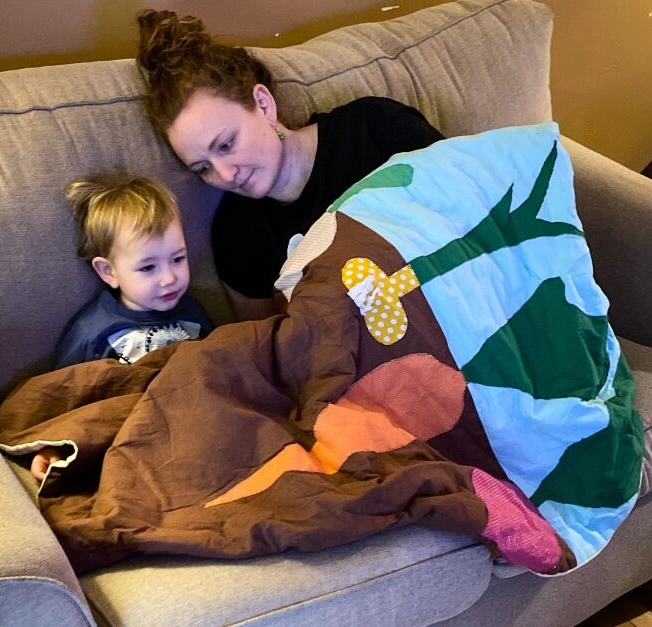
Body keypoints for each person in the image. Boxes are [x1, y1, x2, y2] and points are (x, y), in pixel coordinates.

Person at [136, 9, 444, 321]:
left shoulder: (372, 128)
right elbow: (271, 346)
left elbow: (469, 193)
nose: (226, 174)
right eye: (203, 168)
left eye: (227, 144)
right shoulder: (238, 234)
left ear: (263, 104)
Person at [31, 174, 213, 482]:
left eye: (178, 259)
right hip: (131, 435)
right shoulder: (93, 330)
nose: (169, 278)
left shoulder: (194, 313)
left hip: (192, 426)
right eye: (148, 267)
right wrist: (56, 446)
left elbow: (216, 369)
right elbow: (68, 398)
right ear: (108, 271)